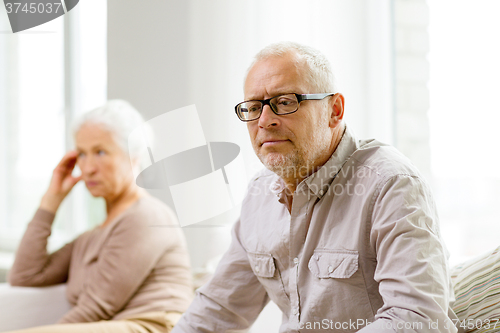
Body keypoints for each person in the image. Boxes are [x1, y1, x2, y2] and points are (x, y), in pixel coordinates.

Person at [172, 42, 458, 332]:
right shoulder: (260, 195)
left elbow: (418, 319)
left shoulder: (391, 185)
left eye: (285, 102)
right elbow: (218, 308)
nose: (265, 121)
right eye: (254, 107)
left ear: (334, 110)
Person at [7, 100, 193, 333]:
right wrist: (51, 201)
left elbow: (96, 308)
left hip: (152, 326)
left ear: (134, 156)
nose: (87, 168)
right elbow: (26, 276)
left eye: (101, 152)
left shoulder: (147, 216)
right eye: (82, 154)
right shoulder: (92, 236)